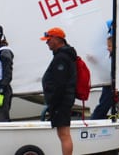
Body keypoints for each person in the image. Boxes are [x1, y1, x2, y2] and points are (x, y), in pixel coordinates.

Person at [41, 27, 77, 155]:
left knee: (64, 134)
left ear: (57, 39)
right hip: (63, 101)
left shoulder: (61, 57)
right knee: (64, 134)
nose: (47, 43)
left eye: (49, 40)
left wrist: (53, 103)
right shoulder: (64, 55)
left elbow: (60, 84)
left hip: (61, 102)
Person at [90, 34, 115, 120]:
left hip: (112, 85)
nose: (107, 48)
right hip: (108, 83)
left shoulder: (116, 58)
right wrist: (95, 62)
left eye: (110, 46)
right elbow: (105, 68)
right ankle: (95, 121)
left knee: (103, 106)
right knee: (103, 106)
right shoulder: (110, 57)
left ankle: (94, 121)